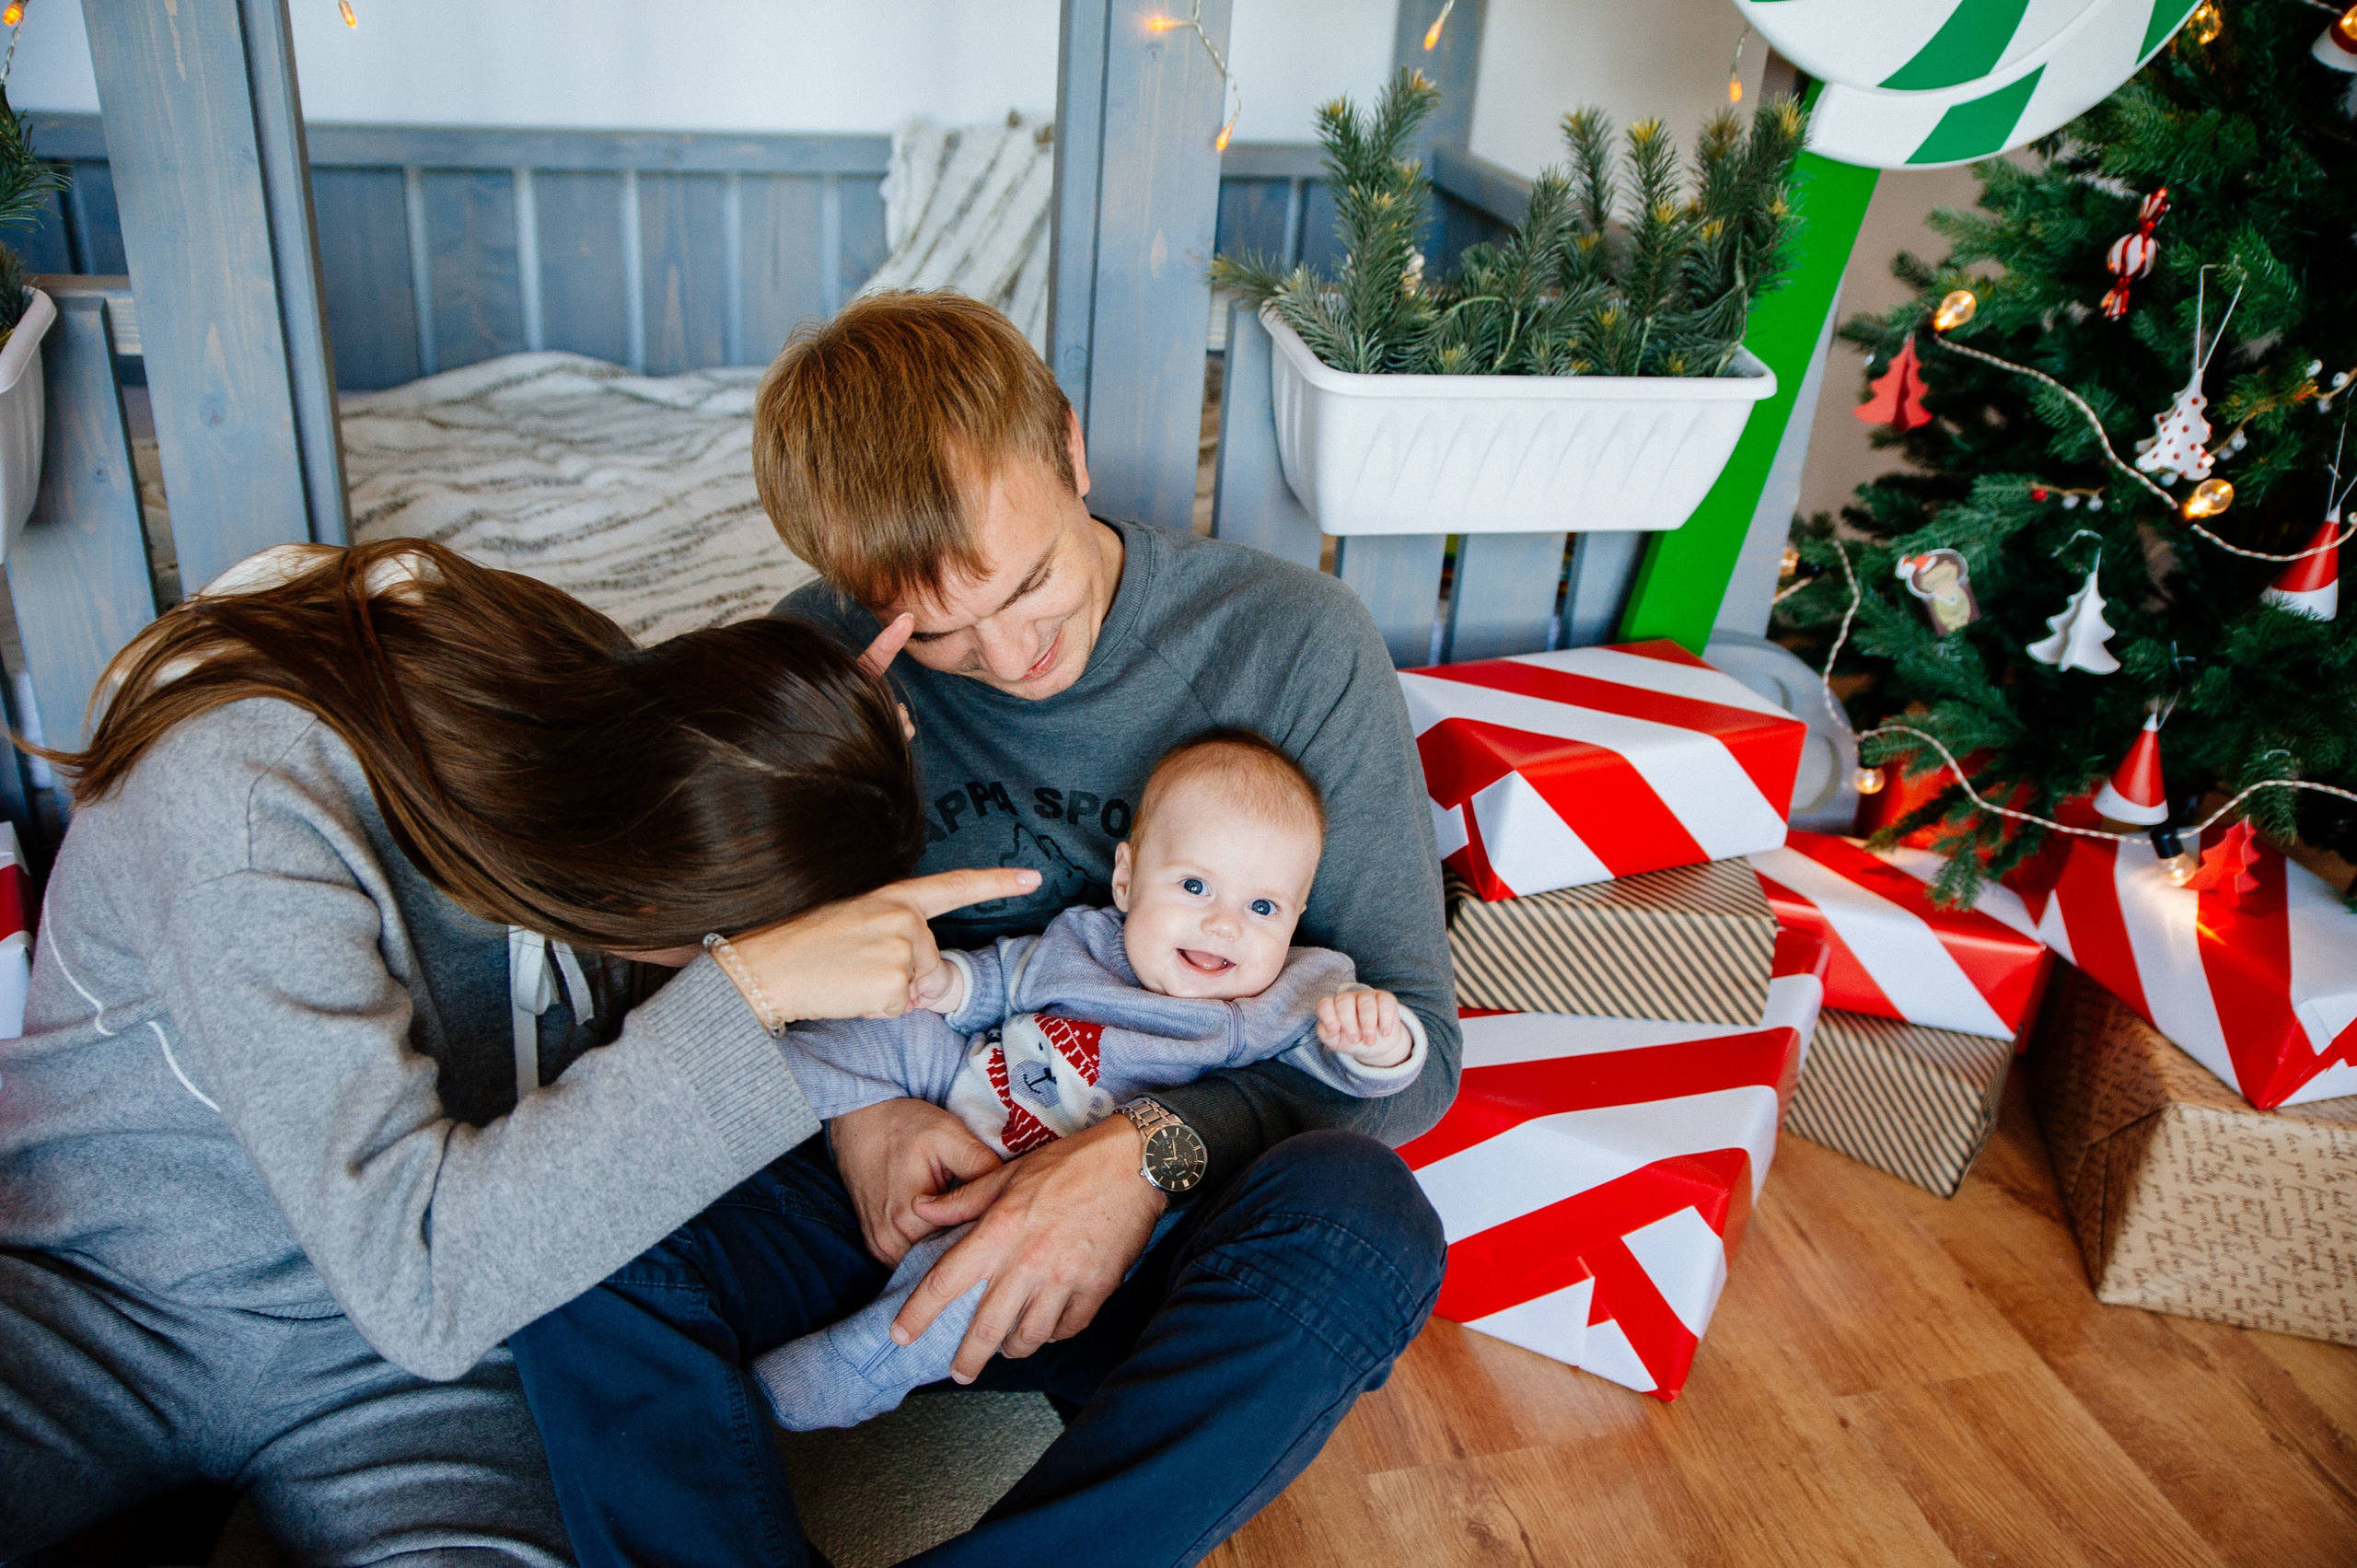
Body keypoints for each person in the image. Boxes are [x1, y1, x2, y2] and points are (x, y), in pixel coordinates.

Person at [0, 540, 1038, 1563]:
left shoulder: (614, 775)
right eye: (713, 937)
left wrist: (791, 774)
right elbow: (419, 1274)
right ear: (643, 897)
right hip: (99, 1291)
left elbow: (444, 1308)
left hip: (417, 1366)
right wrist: (751, 989)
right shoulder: (251, 811)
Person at [749, 729, 1428, 1431]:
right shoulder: (1085, 939)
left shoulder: (1276, 998)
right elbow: (1003, 977)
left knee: (976, 1275)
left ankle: (859, 1366)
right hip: (970, 1084)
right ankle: (753, 1085)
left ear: (1296, 916)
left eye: (1264, 908)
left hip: (1078, 1216)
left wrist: (1378, 1038)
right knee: (882, 1021)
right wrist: (945, 984)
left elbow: (1363, 1076)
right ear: (1128, 879)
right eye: (1195, 885)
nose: (1224, 924)